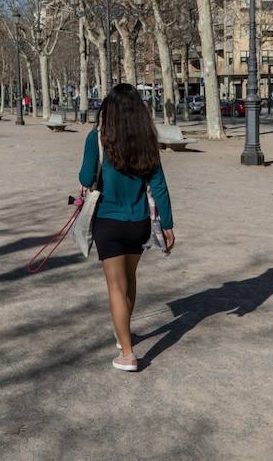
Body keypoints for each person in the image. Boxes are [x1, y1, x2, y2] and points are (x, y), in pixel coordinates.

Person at [78, 83, 175, 372]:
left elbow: (85, 177)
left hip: (108, 221)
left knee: (115, 287)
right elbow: (159, 185)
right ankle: (124, 336)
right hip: (140, 223)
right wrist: (168, 225)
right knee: (129, 280)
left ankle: (128, 354)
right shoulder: (146, 140)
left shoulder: (96, 138)